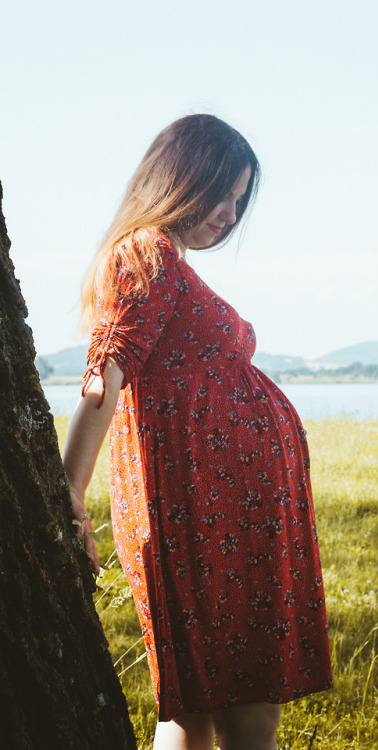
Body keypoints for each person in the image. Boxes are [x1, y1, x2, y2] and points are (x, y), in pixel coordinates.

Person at [63, 114, 333, 750]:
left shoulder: (161, 259)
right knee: (241, 712)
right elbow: (105, 375)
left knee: (203, 710)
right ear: (179, 178)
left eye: (240, 200)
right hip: (200, 516)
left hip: (222, 515)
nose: (229, 212)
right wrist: (70, 494)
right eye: (221, 192)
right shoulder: (146, 254)